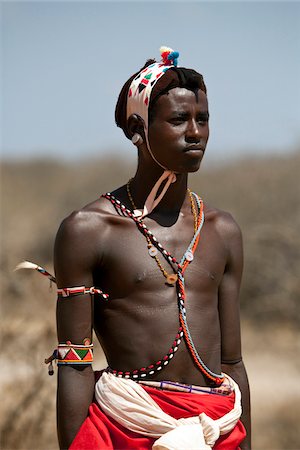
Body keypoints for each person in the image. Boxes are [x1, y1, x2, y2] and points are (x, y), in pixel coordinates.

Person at [54, 47, 251, 449]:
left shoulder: (222, 230)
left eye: (203, 119)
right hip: (127, 429)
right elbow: (74, 365)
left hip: (217, 427)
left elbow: (232, 363)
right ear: (137, 129)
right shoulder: (89, 230)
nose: (195, 132)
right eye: (178, 120)